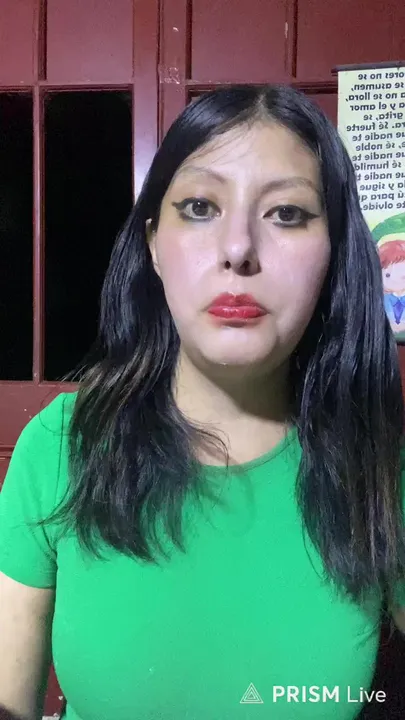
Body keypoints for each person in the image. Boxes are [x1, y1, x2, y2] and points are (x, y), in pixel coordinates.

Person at [0, 84, 405, 720]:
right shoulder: (60, 447)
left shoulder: (382, 467)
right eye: (199, 206)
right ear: (154, 246)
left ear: (334, 254)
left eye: (287, 213)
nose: (238, 249)